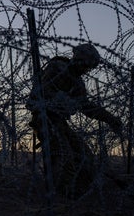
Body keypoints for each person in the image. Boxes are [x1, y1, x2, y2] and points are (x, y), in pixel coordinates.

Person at [26, 43, 122, 198]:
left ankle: (79, 190)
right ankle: (61, 195)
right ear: (79, 59)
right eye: (87, 65)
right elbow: (41, 91)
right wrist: (61, 100)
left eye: (90, 67)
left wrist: (110, 119)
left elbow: (86, 106)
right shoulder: (57, 67)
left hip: (59, 121)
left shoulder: (77, 82)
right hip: (44, 118)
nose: (87, 70)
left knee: (85, 155)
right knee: (65, 157)